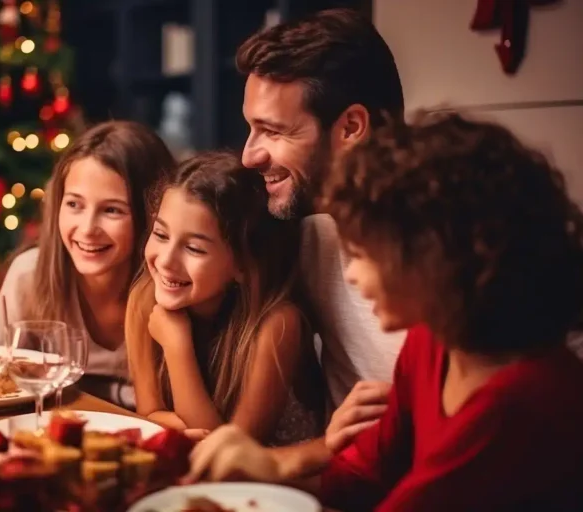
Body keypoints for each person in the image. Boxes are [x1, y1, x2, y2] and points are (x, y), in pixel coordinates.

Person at [187, 113, 583, 510]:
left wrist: (268, 467)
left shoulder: (519, 402)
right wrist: (266, 465)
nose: (354, 276)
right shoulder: (433, 340)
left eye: (362, 254)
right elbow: (361, 476)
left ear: (435, 258)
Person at [235, 6, 407, 465]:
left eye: (272, 130)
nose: (248, 155)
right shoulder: (308, 236)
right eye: (251, 128)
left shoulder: (460, 253)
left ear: (350, 127)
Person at [125, 151, 324, 446]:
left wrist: (177, 347)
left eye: (194, 248)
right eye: (161, 235)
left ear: (242, 265)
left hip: (269, 486)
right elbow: (148, 414)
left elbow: (231, 452)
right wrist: (192, 431)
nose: (166, 261)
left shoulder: (277, 324)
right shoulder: (144, 301)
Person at [0, 120, 175, 409]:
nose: (87, 229)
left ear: (151, 215)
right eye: (74, 204)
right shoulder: (29, 276)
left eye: (112, 210)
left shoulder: (171, 289)